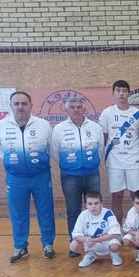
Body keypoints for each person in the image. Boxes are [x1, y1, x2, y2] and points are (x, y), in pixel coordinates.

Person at [0, 91, 56, 263]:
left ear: (31, 105)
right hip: (15, 178)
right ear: (11, 106)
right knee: (18, 213)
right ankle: (20, 246)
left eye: (24, 103)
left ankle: (48, 244)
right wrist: (14, 162)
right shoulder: (0, 126)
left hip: (40, 176)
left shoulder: (43, 125)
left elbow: (51, 147)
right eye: (16, 103)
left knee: (46, 211)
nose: (20, 107)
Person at [50, 97, 104, 257]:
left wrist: (88, 163)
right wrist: (70, 165)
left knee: (95, 209)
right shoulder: (59, 129)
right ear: (66, 110)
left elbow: (99, 148)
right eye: (72, 107)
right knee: (73, 211)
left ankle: (94, 243)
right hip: (70, 176)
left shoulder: (95, 127)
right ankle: (75, 244)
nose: (76, 110)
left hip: (92, 174)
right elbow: (54, 152)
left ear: (84, 109)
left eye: (79, 107)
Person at [98, 80, 139, 223]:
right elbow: (104, 138)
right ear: (113, 93)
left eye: (124, 91)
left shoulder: (138, 114)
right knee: (117, 196)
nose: (121, 93)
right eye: (118, 90)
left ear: (129, 93)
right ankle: (117, 230)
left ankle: (138, 227)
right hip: (114, 161)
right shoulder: (107, 113)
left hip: (134, 160)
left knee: (136, 196)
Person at [70, 191, 122, 267]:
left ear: (101, 204)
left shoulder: (108, 213)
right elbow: (76, 234)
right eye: (90, 204)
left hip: (106, 241)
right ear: (86, 205)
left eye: (96, 203)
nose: (93, 206)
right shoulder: (83, 215)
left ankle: (114, 253)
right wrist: (86, 239)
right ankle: (90, 254)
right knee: (73, 245)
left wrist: (98, 239)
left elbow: (115, 234)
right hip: (91, 242)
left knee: (114, 246)